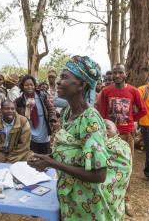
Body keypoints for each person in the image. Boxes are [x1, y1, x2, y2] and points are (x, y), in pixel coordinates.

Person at [28, 55, 130, 220]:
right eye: (60, 77)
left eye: (65, 77)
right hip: (71, 195)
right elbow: (70, 151)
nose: (59, 82)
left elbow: (99, 175)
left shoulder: (90, 119)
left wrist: (52, 163)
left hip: (89, 202)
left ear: (82, 85)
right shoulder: (68, 113)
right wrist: (46, 158)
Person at [98, 63, 147, 216]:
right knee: (109, 165)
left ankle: (126, 199)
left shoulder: (133, 90)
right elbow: (102, 114)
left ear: (126, 73)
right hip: (110, 136)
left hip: (127, 135)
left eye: (120, 72)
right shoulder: (106, 91)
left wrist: (132, 120)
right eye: (115, 72)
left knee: (127, 166)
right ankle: (110, 195)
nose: (117, 75)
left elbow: (143, 110)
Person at [15, 75, 58, 154]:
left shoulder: (42, 96)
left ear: (35, 86)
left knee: (45, 154)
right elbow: (17, 117)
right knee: (32, 156)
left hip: (43, 129)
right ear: (22, 86)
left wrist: (52, 120)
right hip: (29, 132)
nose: (29, 87)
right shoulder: (19, 101)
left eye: (31, 85)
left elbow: (51, 109)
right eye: (26, 85)